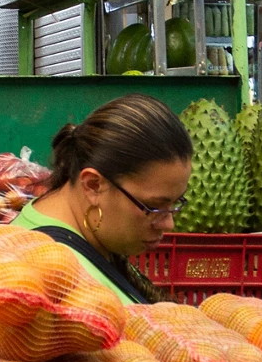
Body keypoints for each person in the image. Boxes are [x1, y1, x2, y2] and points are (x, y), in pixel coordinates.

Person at [14, 93, 193, 303]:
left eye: (175, 202)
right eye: (153, 206)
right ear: (93, 185)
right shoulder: (63, 284)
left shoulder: (49, 214)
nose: (168, 223)